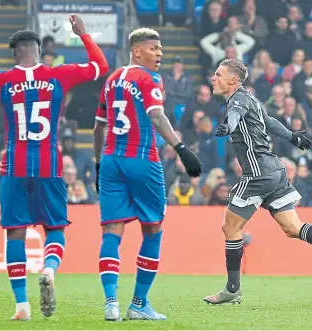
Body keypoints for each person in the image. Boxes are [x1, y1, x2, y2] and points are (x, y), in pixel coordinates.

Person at [0, 16, 108, 320]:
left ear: (14, 53)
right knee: (55, 229)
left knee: (15, 234)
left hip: (13, 168)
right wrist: (84, 34)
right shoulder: (58, 75)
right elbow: (100, 66)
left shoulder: (1, 79)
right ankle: (49, 269)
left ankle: (22, 306)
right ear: (38, 49)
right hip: (49, 166)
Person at [203, 58, 312, 305]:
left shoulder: (238, 99)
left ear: (232, 80)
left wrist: (227, 125)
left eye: (218, 74)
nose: (213, 78)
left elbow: (235, 114)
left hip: (257, 173)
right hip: (276, 170)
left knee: (230, 227)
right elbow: (270, 121)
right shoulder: (251, 98)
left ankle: (233, 289)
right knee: (292, 228)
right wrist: (293, 138)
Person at [93, 28, 201, 321]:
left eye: (161, 49)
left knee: (111, 231)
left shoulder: (112, 79)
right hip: (142, 159)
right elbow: (156, 115)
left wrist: (97, 165)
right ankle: (138, 303)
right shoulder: (149, 78)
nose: (160, 54)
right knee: (152, 229)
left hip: (111, 161)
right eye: (154, 48)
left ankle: (111, 303)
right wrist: (181, 148)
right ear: (137, 51)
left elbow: (99, 126)